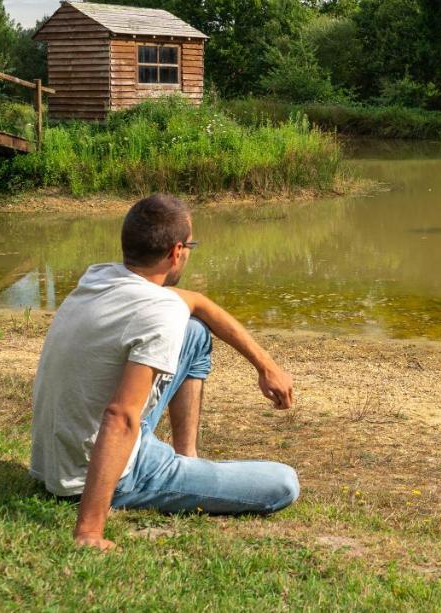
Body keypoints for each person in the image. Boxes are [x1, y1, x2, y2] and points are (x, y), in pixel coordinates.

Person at [30, 193, 299, 550]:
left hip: (60, 458)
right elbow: (120, 416)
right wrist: (89, 531)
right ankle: (168, 474)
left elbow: (200, 304)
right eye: (190, 246)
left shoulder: (99, 276)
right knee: (283, 484)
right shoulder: (160, 313)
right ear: (176, 252)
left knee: (195, 333)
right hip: (99, 474)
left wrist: (266, 365)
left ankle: (187, 459)